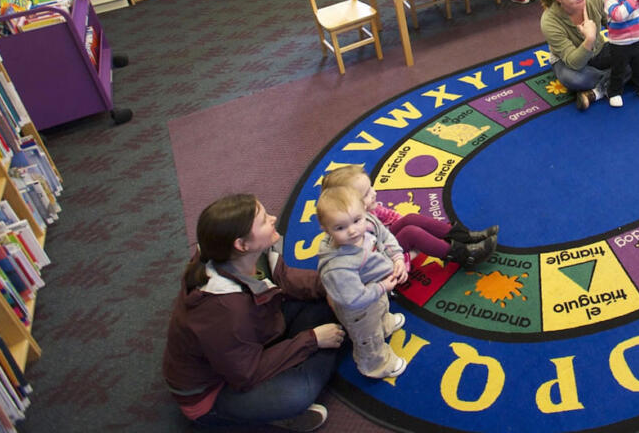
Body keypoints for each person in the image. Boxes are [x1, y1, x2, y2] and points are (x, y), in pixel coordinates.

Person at [163, 194, 344, 432]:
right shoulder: (224, 311)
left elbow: (283, 279)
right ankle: (243, 418)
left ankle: (308, 352)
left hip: (251, 339)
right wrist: (312, 340)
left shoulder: (236, 255)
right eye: (263, 220)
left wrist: (331, 284)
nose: (274, 218)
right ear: (241, 244)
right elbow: (246, 374)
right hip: (216, 391)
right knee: (297, 394)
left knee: (329, 302)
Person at [316, 185, 408, 379]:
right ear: (325, 228)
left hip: (375, 290)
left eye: (357, 220)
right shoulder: (337, 267)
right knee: (368, 339)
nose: (352, 231)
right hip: (359, 310)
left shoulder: (367, 225)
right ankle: (376, 366)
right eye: (340, 227)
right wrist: (382, 286)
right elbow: (354, 299)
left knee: (382, 308)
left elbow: (385, 236)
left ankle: (384, 324)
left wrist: (398, 258)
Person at [321, 166, 498, 266]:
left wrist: (405, 226)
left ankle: (464, 237)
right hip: (382, 260)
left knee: (410, 219)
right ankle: (463, 255)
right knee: (411, 233)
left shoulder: (366, 212)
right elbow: (373, 266)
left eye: (371, 188)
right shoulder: (355, 232)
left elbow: (390, 217)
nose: (374, 193)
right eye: (366, 194)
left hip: (384, 242)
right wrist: (409, 255)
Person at [539, 0, 612, 111]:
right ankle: (619, 77)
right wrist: (589, 39)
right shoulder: (549, 21)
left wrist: (633, 38)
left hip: (599, 51)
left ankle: (596, 92)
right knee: (573, 79)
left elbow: (612, 24)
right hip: (569, 62)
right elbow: (574, 63)